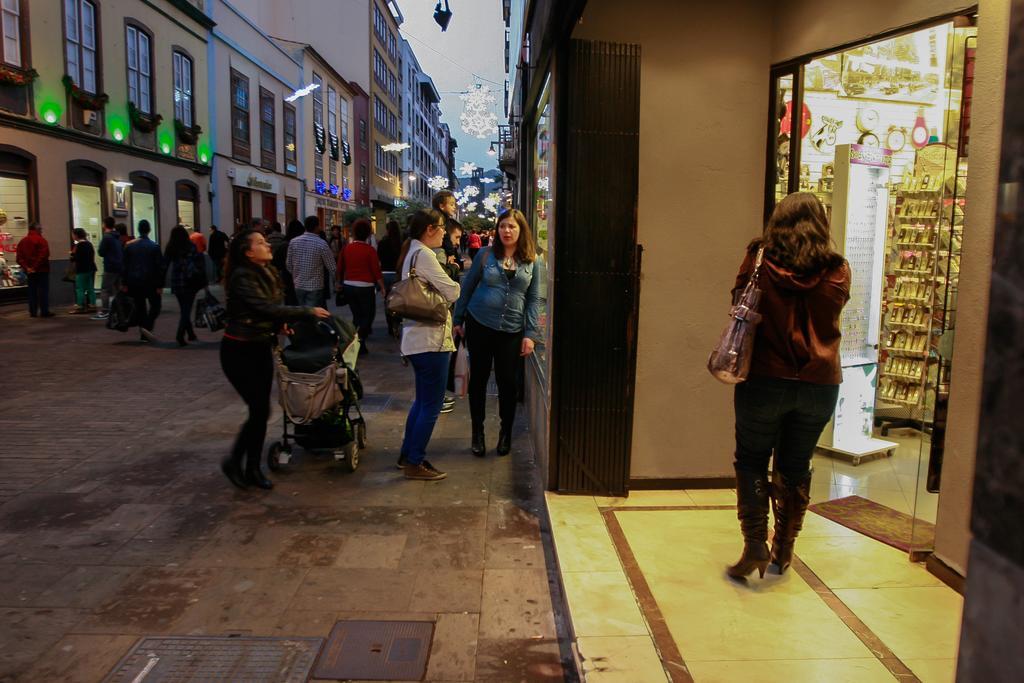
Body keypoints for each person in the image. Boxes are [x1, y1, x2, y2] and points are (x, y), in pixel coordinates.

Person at [726, 192, 851, 580]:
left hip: (765, 377)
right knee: (796, 467)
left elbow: (737, 302)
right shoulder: (838, 269)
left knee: (751, 460)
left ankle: (754, 545)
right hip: (820, 382)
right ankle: (784, 548)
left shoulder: (761, 260)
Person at [220, 230, 330, 490]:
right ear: (248, 252)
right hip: (239, 350)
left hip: (259, 346)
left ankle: (250, 468)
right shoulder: (242, 276)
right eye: (259, 243)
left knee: (260, 411)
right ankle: (237, 462)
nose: (267, 245)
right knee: (259, 409)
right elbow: (263, 307)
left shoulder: (267, 272)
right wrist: (306, 311)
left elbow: (268, 310)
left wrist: (280, 325)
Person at [453, 209, 540, 458]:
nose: (507, 231)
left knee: (508, 383)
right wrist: (458, 319)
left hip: (512, 329)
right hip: (479, 323)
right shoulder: (485, 255)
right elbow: (467, 288)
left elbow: (535, 299)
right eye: (502, 226)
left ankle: (505, 433)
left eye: (512, 226)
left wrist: (530, 333)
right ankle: (477, 433)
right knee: (478, 380)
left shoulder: (533, 260)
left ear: (521, 230)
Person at [397, 209, 461, 481]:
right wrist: (451, 272)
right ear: (430, 229)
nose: (445, 232)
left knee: (422, 402)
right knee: (431, 405)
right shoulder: (424, 255)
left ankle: (406, 455)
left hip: (415, 339)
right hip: (431, 341)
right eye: (442, 227)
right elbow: (452, 290)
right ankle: (415, 461)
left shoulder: (411, 251)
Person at [336, 218, 385, 354]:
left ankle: (355, 340)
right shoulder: (370, 251)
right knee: (368, 316)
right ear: (368, 234)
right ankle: (359, 340)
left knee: (356, 315)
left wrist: (338, 283)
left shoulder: (347, 249)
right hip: (366, 287)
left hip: (349, 285)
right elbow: (376, 270)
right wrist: (382, 287)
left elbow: (339, 268)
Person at [164, 224, 207, 346]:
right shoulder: (190, 246)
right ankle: (180, 335)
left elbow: (164, 264)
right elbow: (198, 262)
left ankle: (191, 334)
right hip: (190, 281)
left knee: (184, 308)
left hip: (177, 281)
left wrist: (160, 282)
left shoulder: (170, 247)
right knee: (186, 310)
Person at [123, 219, 165, 342]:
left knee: (140, 307)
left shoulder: (129, 246)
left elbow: (124, 266)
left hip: (134, 281)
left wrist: (124, 282)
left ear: (138, 229)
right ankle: (147, 327)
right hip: (150, 282)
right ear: (149, 230)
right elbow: (160, 267)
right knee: (156, 306)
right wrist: (160, 284)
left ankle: (144, 330)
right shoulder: (154, 246)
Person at [286, 215, 336, 308]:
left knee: (302, 312)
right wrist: (336, 282)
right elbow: (332, 267)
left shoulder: (293, 242)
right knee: (313, 314)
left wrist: (296, 275)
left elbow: (289, 265)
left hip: (298, 284)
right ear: (317, 227)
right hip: (315, 286)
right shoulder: (321, 243)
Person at [16, 221, 52, 317]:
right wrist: (34, 267)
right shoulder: (41, 240)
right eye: (40, 229)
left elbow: (19, 258)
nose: (41, 231)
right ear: (37, 229)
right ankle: (44, 311)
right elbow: (44, 255)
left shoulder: (22, 241)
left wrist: (27, 268)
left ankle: (33, 311)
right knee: (43, 291)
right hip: (42, 270)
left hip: (29, 271)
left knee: (32, 291)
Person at [377, 220, 403, 337]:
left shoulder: (383, 242)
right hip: (397, 275)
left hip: (385, 274)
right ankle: (396, 324)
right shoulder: (401, 243)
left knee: (387, 301)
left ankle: (389, 326)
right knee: (398, 301)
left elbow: (379, 258)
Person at [95, 218, 124, 320]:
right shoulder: (117, 236)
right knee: (118, 289)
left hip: (110, 266)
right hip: (119, 266)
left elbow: (101, 252)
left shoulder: (107, 237)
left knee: (105, 290)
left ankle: (105, 311)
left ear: (104, 224)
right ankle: (120, 309)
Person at [273, 220, 305, 306]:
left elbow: (276, 263)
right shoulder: (302, 244)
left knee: (290, 302)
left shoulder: (284, 245)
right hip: (302, 278)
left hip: (287, 278)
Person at [69, 228, 98, 314]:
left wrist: (72, 255)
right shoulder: (89, 244)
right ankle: (92, 305)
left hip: (82, 269)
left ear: (76, 235)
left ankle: (80, 306)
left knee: (80, 288)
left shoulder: (79, 245)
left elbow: (77, 258)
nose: (72, 236)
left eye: (73, 234)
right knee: (90, 288)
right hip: (91, 268)